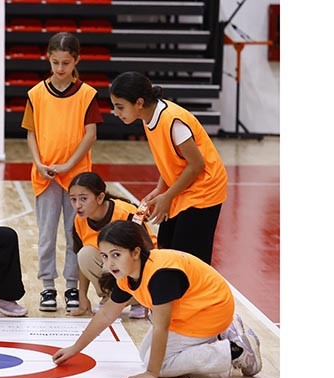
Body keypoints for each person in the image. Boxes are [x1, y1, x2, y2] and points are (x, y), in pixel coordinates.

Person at [52, 220, 261, 378]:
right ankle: (226, 331)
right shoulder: (127, 273)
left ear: (135, 252)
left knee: (162, 366)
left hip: (209, 311)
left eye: (116, 255)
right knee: (145, 354)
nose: (110, 263)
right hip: (199, 307)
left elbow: (162, 326)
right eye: (105, 256)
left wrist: (152, 373)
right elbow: (106, 315)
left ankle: (236, 351)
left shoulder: (160, 276)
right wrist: (75, 348)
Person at [21, 32, 103, 313]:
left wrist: (68, 165)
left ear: (76, 60)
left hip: (77, 178)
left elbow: (90, 135)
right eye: (55, 62)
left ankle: (71, 286)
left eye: (65, 63)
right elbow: (31, 134)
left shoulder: (87, 94)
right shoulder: (36, 94)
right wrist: (38, 162)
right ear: (48, 58)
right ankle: (47, 286)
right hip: (45, 176)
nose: (59, 68)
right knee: (46, 235)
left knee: (74, 235)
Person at [109, 71, 228, 265]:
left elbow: (196, 164)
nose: (115, 112)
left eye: (119, 106)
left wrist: (168, 196)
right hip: (183, 187)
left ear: (139, 103)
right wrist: (160, 189)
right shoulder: (147, 117)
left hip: (204, 189)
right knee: (166, 247)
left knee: (189, 259)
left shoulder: (173, 121)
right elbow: (172, 160)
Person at [67, 171, 156, 319]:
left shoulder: (127, 212)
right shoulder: (79, 220)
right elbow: (81, 264)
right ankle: (110, 297)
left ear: (100, 197)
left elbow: (149, 253)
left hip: (140, 269)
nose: (78, 205)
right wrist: (82, 296)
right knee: (84, 254)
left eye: (83, 199)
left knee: (113, 256)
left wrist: (149, 291)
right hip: (114, 268)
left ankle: (138, 300)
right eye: (73, 199)